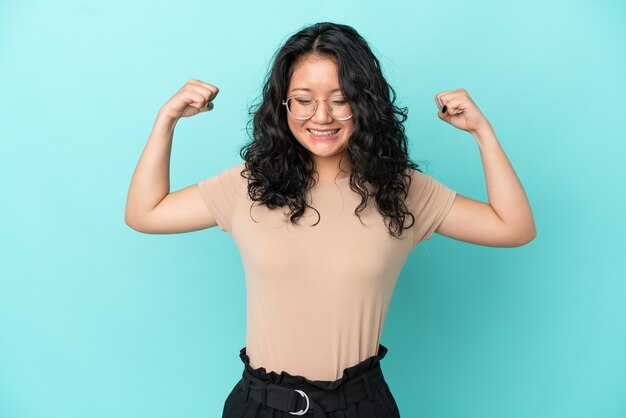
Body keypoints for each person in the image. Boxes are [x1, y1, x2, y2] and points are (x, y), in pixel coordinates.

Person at [125, 21, 536, 418]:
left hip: (360, 406)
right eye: (303, 100)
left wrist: (482, 132)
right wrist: (167, 120)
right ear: (283, 104)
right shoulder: (247, 185)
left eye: (340, 100)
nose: (321, 117)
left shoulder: (402, 189)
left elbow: (513, 227)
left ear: (365, 104)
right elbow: (145, 213)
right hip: (259, 405)